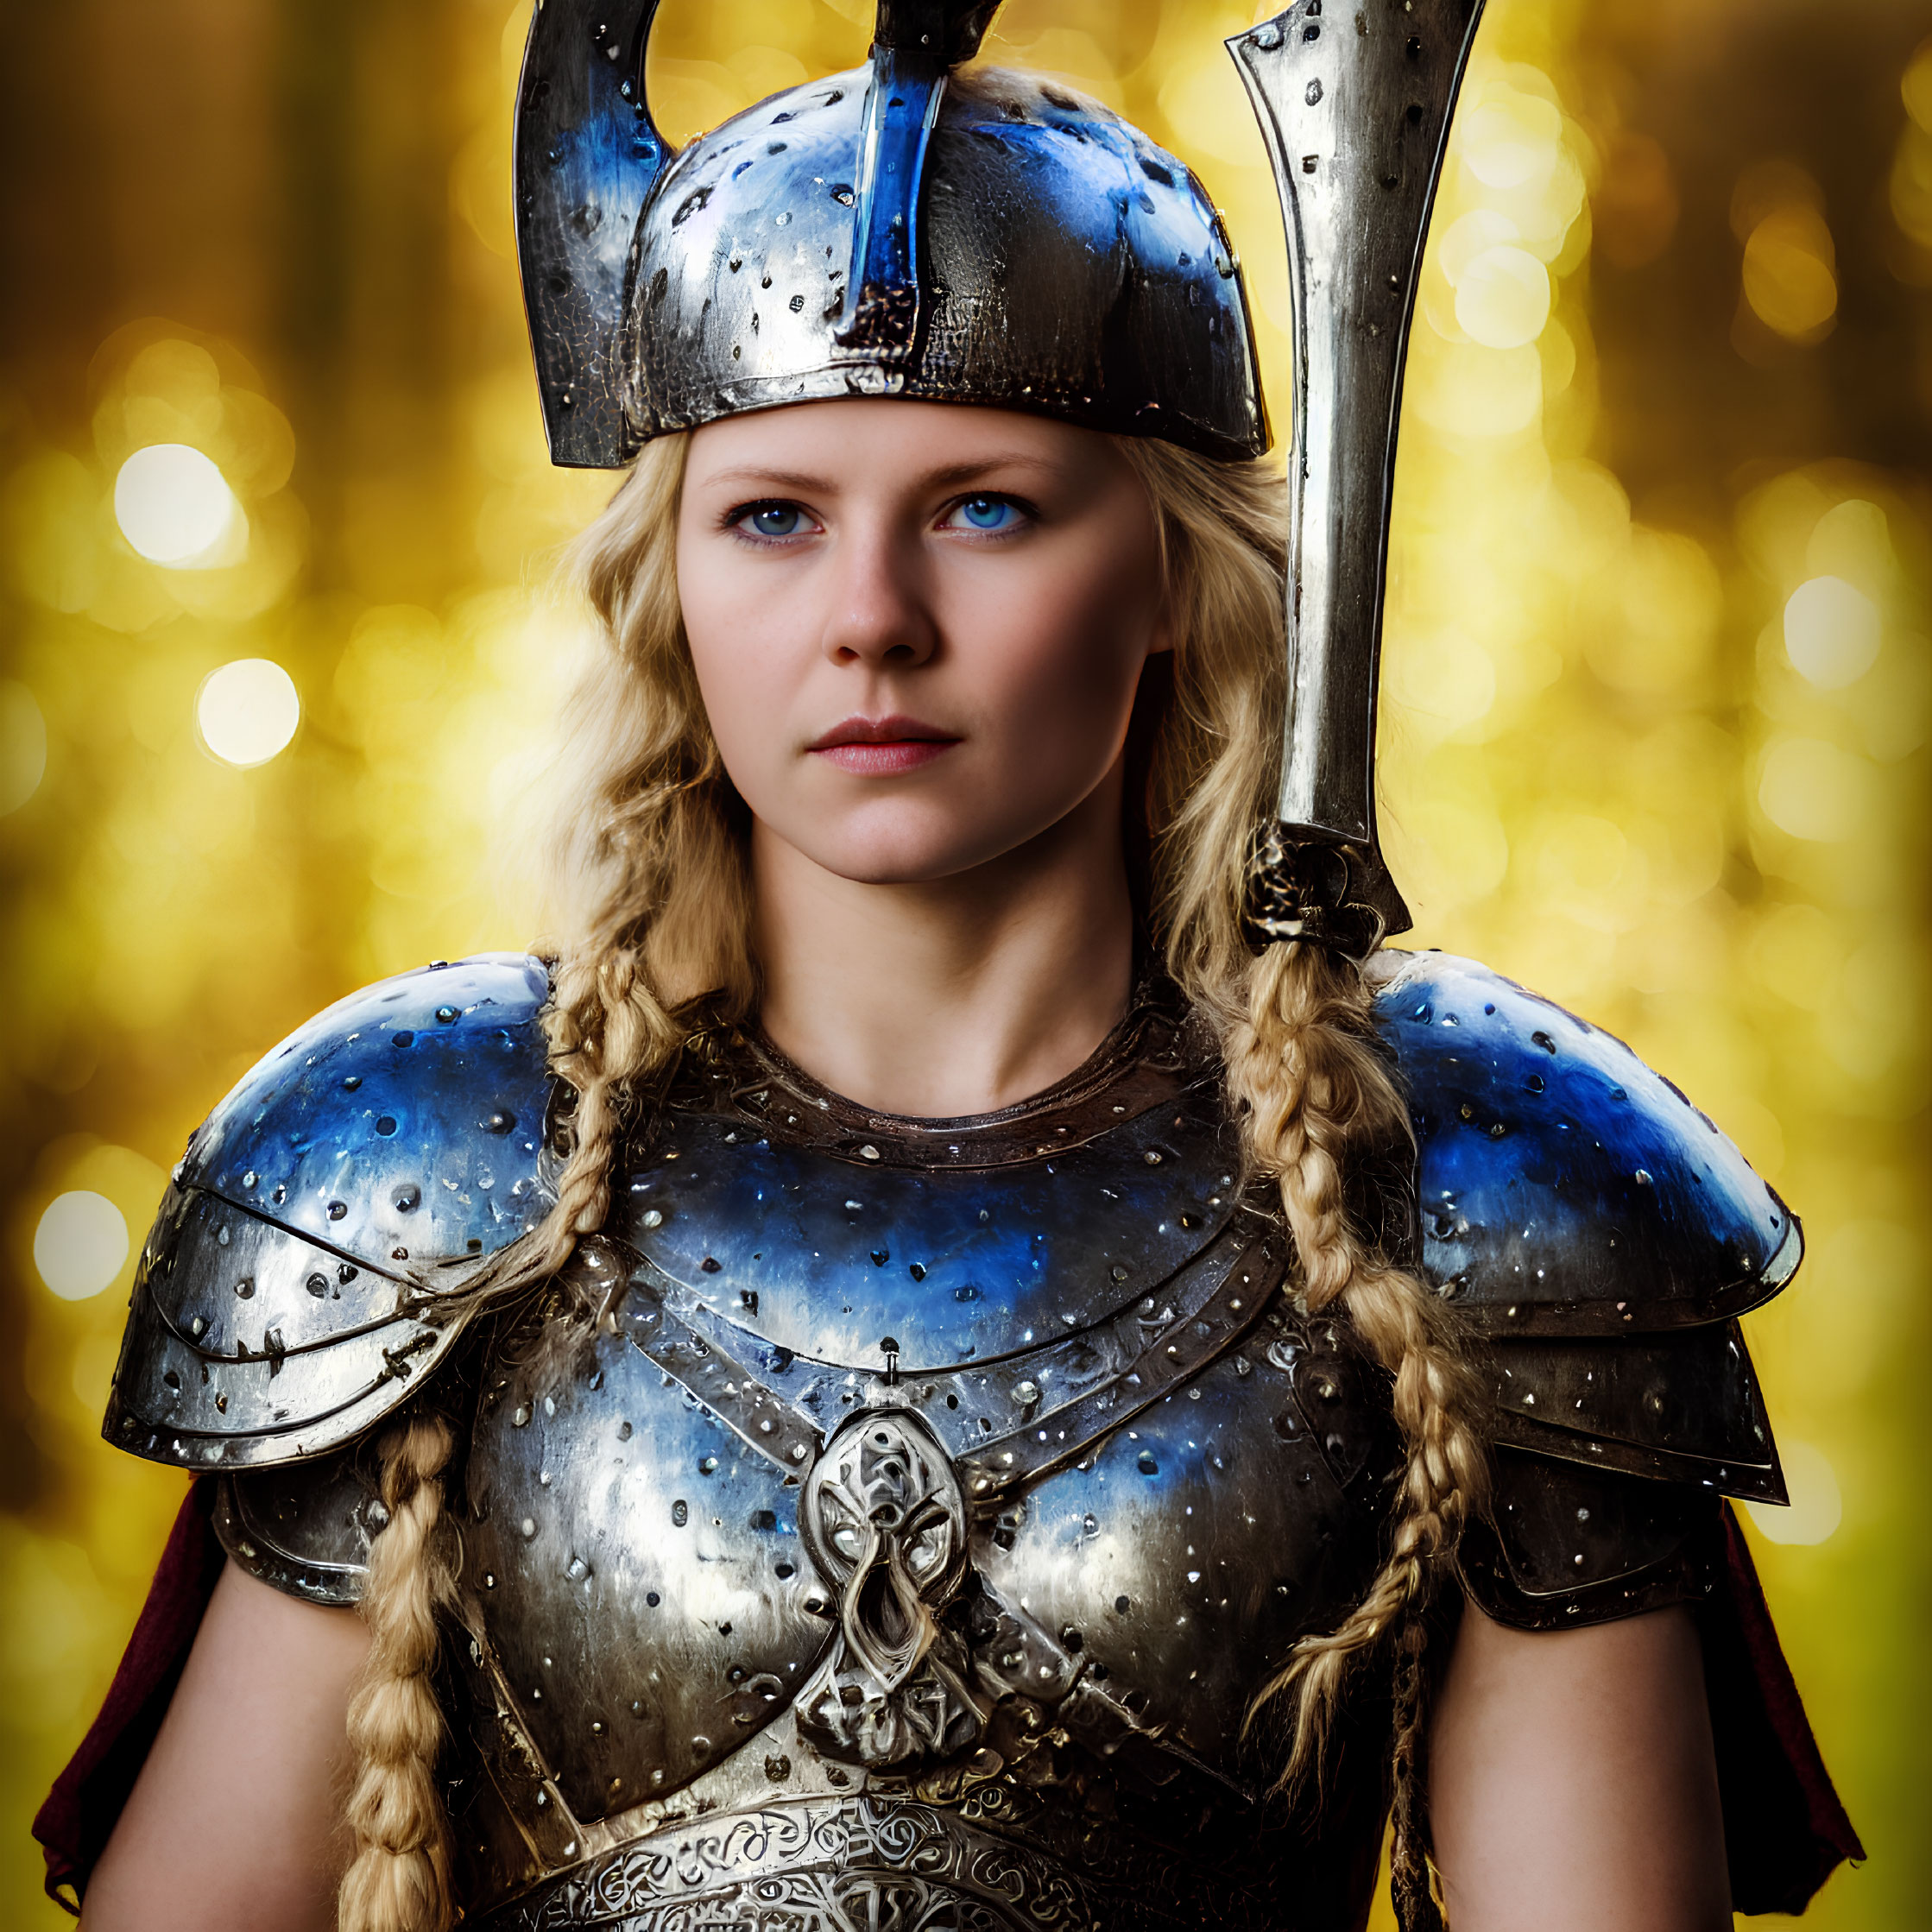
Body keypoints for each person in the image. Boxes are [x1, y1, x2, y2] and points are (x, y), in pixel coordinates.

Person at [37, 3, 1861, 1929]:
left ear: (1169, 573)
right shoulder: (418, 1177)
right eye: (772, 519)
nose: (872, 624)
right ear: (673, 589)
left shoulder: (1483, 1190)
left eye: (985, 509)